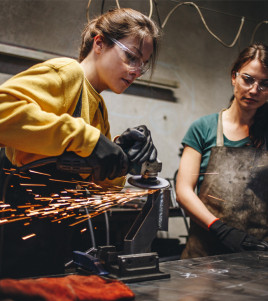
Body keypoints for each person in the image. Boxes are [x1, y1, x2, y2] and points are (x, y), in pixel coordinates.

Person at [0, 8, 161, 276]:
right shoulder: (67, 73)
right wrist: (87, 138)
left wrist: (122, 158)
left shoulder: (98, 106)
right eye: (130, 57)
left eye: (142, 63)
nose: (136, 71)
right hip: (20, 226)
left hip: (55, 227)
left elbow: (104, 186)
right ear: (99, 43)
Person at [176, 43, 268, 259]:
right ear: (234, 77)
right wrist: (220, 228)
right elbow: (183, 191)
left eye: (265, 84)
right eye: (248, 79)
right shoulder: (204, 128)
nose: (254, 90)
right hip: (204, 256)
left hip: (257, 257)